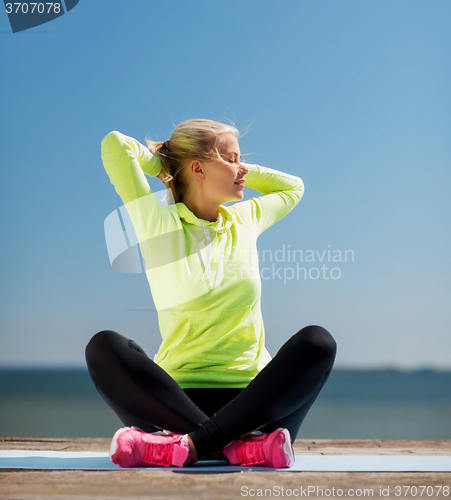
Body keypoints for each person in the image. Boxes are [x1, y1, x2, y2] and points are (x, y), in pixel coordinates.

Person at [85, 119, 337, 469]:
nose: (242, 170)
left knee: (318, 343)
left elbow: (293, 187)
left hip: (256, 404)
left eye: (241, 160)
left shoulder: (244, 219)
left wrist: (234, 164)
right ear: (198, 168)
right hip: (173, 401)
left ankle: (191, 445)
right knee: (103, 346)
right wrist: (167, 166)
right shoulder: (158, 223)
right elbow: (116, 145)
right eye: (231, 159)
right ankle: (235, 447)